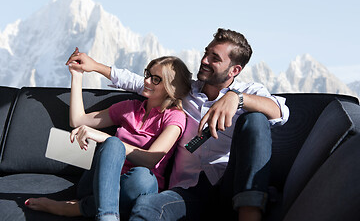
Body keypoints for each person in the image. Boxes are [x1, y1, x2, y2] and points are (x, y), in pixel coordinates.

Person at [62, 28, 290, 221]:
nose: (204, 60)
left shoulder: (249, 92)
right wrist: (95, 66)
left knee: (256, 118)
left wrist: (237, 98)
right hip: (187, 191)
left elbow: (281, 111)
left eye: (215, 58)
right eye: (206, 53)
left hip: (229, 186)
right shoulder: (185, 92)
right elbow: (140, 83)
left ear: (234, 70)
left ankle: (250, 212)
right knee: (146, 208)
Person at [25, 51, 192, 221]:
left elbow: (151, 160)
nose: (147, 81)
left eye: (156, 79)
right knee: (113, 145)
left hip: (135, 188)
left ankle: (78, 208)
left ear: (171, 88)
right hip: (98, 183)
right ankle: (106, 216)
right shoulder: (129, 108)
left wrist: (106, 139)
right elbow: (78, 120)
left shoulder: (175, 116)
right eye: (148, 74)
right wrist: (77, 76)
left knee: (143, 177)